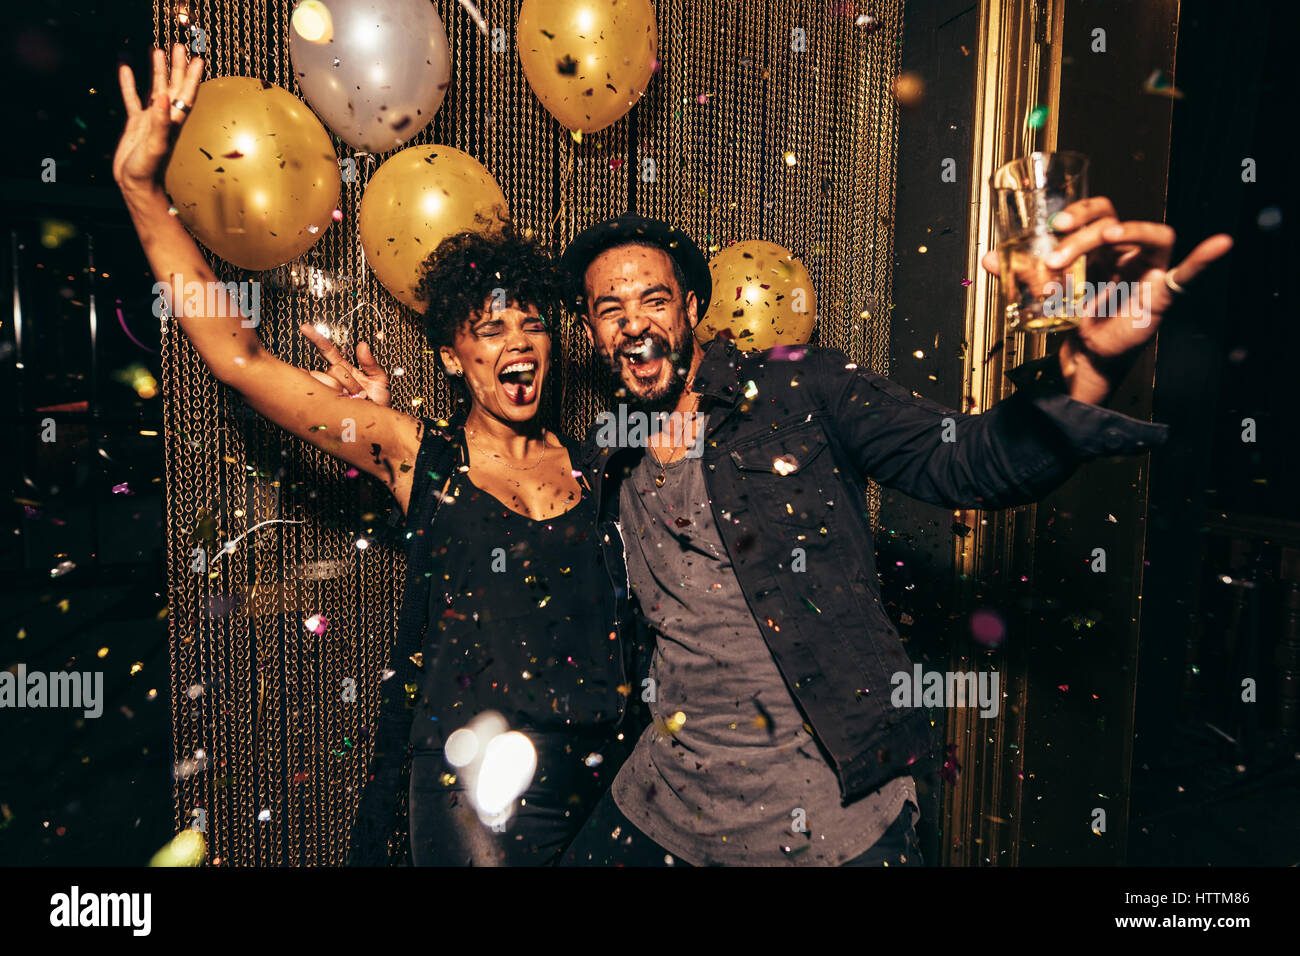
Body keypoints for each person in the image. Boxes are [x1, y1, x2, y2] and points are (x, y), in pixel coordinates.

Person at [547, 211, 1232, 866]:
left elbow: (963, 461)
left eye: (654, 299)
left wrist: (1085, 366)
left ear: (692, 309)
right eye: (611, 310)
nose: (635, 322)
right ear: (590, 331)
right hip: (666, 805)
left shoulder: (796, 387)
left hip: (829, 813)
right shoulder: (611, 461)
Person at [113, 45, 636, 866]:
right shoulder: (413, 454)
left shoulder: (604, 471)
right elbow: (240, 361)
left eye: (531, 322)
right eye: (489, 330)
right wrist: (142, 192)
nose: (517, 342)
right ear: (454, 357)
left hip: (607, 782)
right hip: (472, 799)